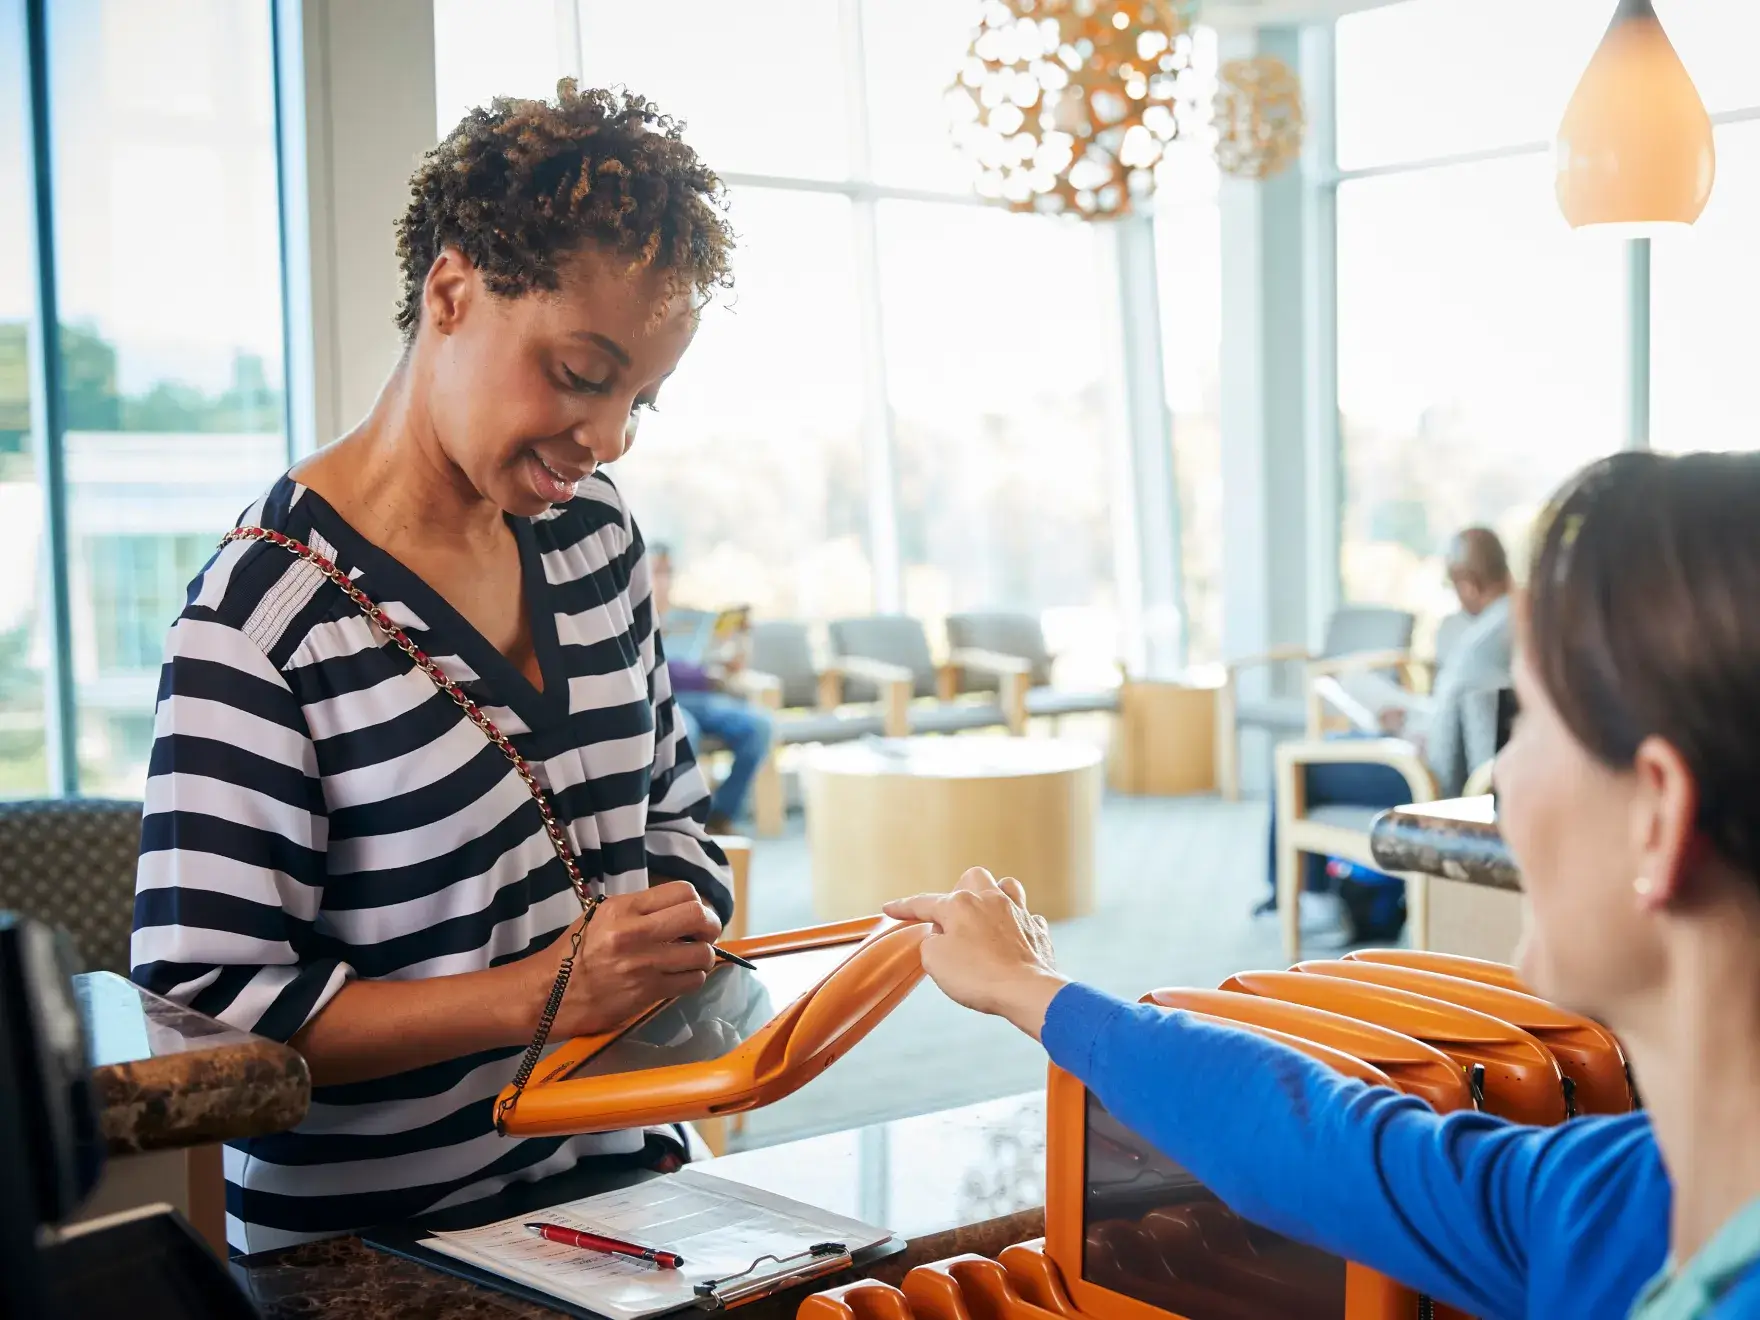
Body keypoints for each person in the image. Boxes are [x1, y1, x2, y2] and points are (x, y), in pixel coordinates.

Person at [888, 450, 1760, 1319]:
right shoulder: (1630, 1196)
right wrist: (1034, 992)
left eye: (1530, 722)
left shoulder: (1618, 1208)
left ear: (1657, 816)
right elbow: (1319, 1146)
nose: (1499, 769)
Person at [129, 85, 738, 1254]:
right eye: (579, 373)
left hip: (632, 1193)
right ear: (451, 292)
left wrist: (678, 919)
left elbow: (669, 810)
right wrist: (535, 999)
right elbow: (204, 1019)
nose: (610, 437)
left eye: (639, 397)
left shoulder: (595, 532)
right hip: (381, 1244)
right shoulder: (262, 619)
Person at [1258, 526, 1515, 921]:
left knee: (1295, 766)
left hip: (1424, 776)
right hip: (1428, 749)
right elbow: (1474, 721)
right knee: (1344, 741)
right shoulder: (1520, 623)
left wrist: (1411, 734)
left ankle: (1305, 897)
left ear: (1469, 583)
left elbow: (1455, 762)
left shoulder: (1483, 645)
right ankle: (1311, 892)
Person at [649, 545, 773, 833]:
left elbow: (711, 662)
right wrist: (704, 674)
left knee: (760, 727)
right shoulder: (630, 616)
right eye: (656, 571)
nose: (663, 579)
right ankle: (685, 822)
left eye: (668, 572)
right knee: (685, 734)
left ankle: (720, 815)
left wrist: (734, 652)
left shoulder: (691, 619)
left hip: (704, 698)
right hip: (664, 701)